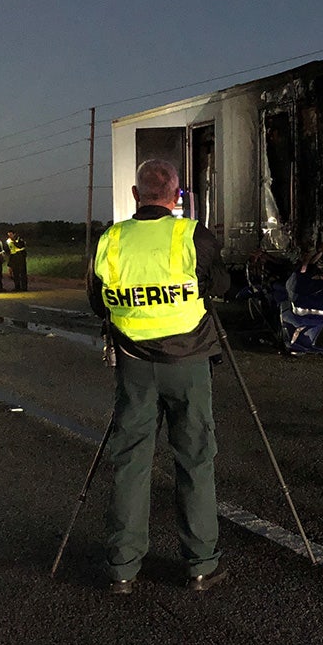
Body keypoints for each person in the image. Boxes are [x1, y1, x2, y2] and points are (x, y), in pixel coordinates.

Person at [88, 159, 231, 596]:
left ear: (136, 195)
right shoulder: (191, 235)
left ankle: (123, 569)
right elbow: (221, 285)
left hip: (134, 366)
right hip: (188, 366)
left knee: (131, 462)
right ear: (177, 196)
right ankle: (201, 566)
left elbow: (98, 304)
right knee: (194, 460)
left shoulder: (110, 239)